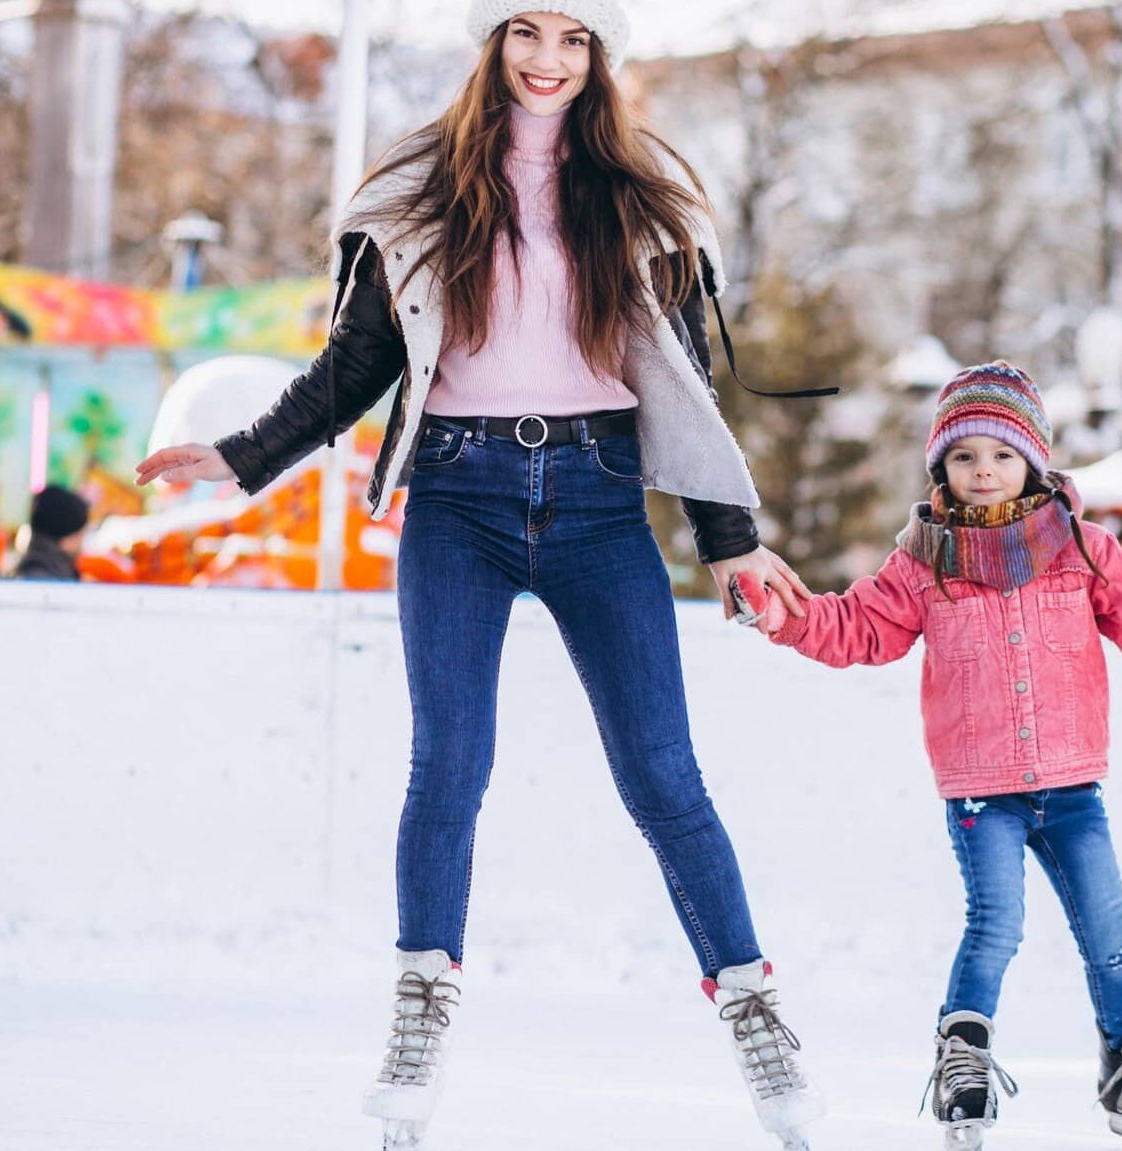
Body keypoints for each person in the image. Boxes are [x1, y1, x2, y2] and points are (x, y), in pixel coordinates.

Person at [135, 5, 823, 1148]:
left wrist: (730, 536)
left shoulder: (642, 194)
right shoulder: (418, 185)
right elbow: (355, 365)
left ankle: (752, 1008)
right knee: (449, 761)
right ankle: (419, 1007)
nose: (548, 59)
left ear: (601, 56)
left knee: (661, 773)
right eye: (526, 31)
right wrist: (241, 454)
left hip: (602, 499)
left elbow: (683, 383)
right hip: (456, 497)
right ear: (491, 42)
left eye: (574, 38)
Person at [738, 362, 1122, 1151]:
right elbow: (856, 627)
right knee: (996, 925)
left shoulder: (1082, 549)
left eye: (1000, 453)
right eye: (964, 457)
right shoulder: (926, 560)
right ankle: (964, 1058)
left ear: (1032, 457)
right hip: (980, 789)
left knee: (1109, 931)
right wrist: (783, 617)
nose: (983, 470)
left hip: (1072, 785)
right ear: (942, 470)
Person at [9, 484, 88, 581]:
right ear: (66, 540)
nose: (82, 544)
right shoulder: (50, 580)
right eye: (80, 535)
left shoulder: (27, 569)